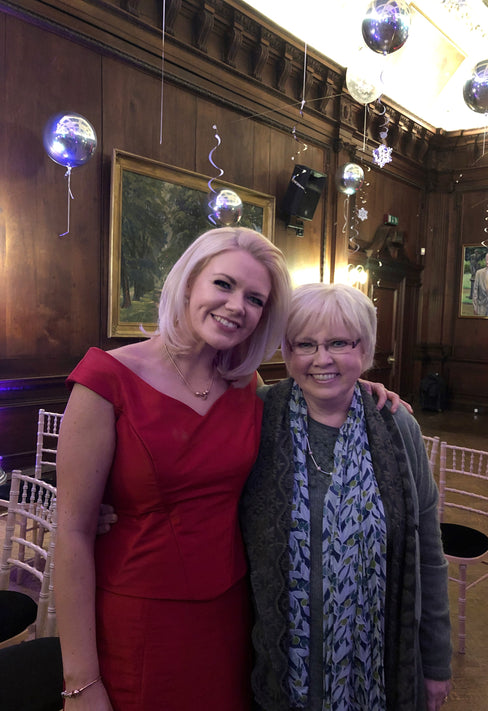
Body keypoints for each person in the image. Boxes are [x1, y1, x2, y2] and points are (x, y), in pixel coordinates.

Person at [55, 226, 400, 711]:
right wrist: (81, 682)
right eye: (224, 285)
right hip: (139, 617)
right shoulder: (105, 380)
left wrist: (365, 391)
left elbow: (319, 394)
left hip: (235, 614)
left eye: (255, 298)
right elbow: (70, 534)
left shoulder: (246, 385)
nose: (238, 305)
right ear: (189, 282)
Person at [240, 283, 452, 711]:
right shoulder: (258, 416)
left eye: (339, 342)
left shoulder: (397, 427)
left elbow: (428, 553)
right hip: (279, 670)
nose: (322, 359)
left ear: (366, 349)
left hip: (383, 670)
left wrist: (437, 663)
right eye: (305, 344)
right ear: (287, 349)